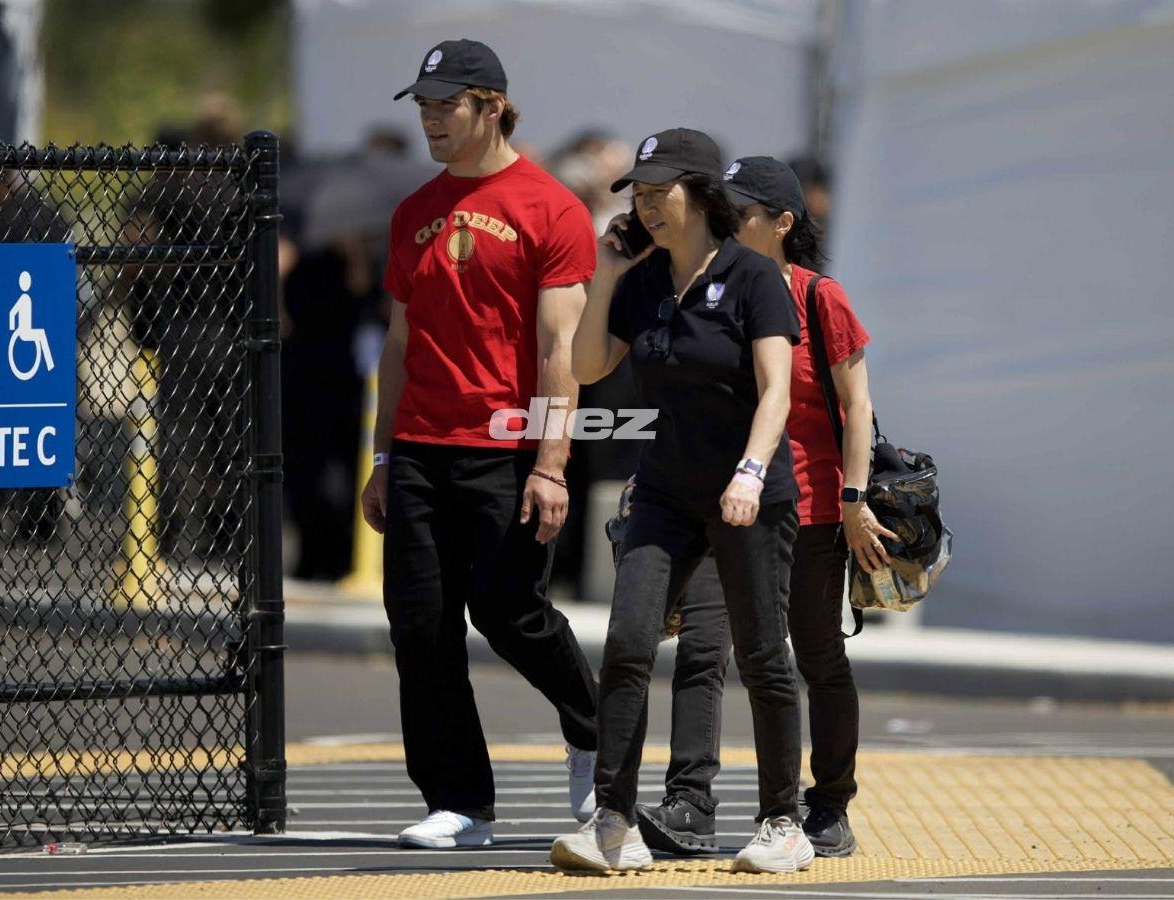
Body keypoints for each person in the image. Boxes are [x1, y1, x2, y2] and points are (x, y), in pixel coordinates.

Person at [360, 39, 600, 850]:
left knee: (510, 611)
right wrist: (384, 456)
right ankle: (460, 802)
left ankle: (593, 731)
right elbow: (398, 344)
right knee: (421, 627)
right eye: (422, 105)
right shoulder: (412, 211)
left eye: (445, 104)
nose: (430, 118)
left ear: (491, 104)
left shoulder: (551, 207)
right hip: (421, 445)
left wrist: (551, 462)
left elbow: (560, 352)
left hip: (506, 445)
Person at [550, 129, 812, 875]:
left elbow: (777, 392)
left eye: (659, 191)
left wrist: (751, 473)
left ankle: (782, 821)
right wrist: (604, 274)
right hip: (665, 489)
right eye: (637, 193)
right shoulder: (643, 282)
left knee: (762, 656)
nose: (646, 205)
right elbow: (591, 363)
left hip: (747, 492)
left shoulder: (754, 278)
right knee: (630, 641)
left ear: (700, 194)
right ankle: (613, 822)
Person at [635, 156, 892, 859]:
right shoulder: (701, 287)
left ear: (783, 223)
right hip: (719, 504)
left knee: (813, 657)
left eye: (742, 211)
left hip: (803, 510)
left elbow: (857, 404)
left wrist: (851, 498)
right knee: (703, 651)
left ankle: (829, 804)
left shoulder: (818, 297)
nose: (726, 220)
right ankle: (689, 804)